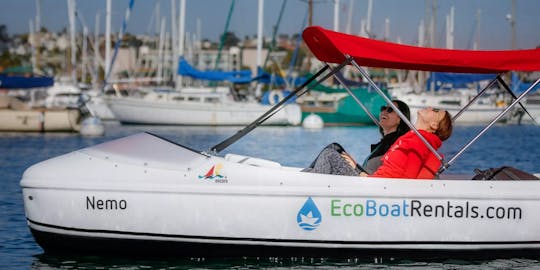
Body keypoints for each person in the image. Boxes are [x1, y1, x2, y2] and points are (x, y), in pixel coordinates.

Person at [302, 100, 411, 176]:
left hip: (369, 183)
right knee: (334, 147)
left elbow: (381, 174)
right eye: (383, 108)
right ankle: (306, 176)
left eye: (390, 110)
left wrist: (355, 166)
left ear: (400, 119)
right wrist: (355, 165)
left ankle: (307, 184)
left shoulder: (397, 145)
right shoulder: (383, 144)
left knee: (329, 154)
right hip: (362, 177)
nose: (384, 111)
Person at [362, 107, 453, 179]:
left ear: (434, 125)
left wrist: (368, 179)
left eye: (435, 110)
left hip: (378, 187)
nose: (430, 107)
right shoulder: (414, 138)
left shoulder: (420, 142)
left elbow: (407, 178)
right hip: (376, 181)